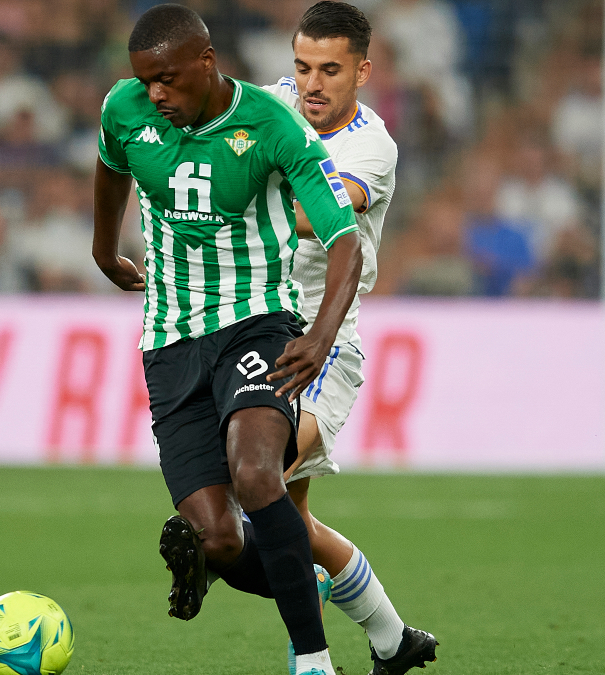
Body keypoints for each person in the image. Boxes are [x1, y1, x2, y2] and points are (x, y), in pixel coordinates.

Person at [93, 6, 363, 675]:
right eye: (146, 80)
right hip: (170, 342)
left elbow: (344, 241)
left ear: (206, 62)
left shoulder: (272, 125)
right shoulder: (125, 109)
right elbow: (110, 165)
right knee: (215, 538)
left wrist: (320, 335)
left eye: (167, 78)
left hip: (256, 323)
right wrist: (103, 248)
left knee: (255, 472)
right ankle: (304, 581)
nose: (156, 93)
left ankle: (313, 659)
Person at [264, 3, 439, 674]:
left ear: (362, 72)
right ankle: (396, 642)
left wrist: (234, 203)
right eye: (303, 67)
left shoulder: (372, 146)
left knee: (253, 486)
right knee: (295, 524)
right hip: (255, 330)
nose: (312, 84)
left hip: (323, 342)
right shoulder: (272, 104)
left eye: (330, 70)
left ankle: (310, 655)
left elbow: (320, 214)